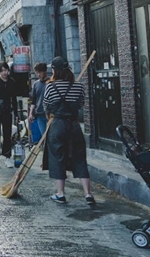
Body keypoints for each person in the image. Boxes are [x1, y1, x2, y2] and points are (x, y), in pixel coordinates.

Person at [44, 56, 95, 205]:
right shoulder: (79, 86)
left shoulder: (50, 86)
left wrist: (52, 116)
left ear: (54, 70)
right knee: (80, 158)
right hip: (74, 125)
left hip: (57, 125)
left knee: (57, 158)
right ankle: (88, 194)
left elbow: (46, 106)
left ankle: (60, 194)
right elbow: (81, 104)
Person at [0, 62, 17, 168]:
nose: (5, 73)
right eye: (3, 70)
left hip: (7, 110)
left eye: (6, 70)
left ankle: (7, 157)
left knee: (7, 134)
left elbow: (13, 99)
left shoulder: (12, 82)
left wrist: (16, 113)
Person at [28, 62, 49, 144]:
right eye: (37, 72)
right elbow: (34, 100)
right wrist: (30, 113)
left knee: (49, 136)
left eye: (40, 72)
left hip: (49, 113)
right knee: (43, 135)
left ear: (45, 71)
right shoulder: (36, 84)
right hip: (39, 113)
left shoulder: (50, 83)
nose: (38, 74)